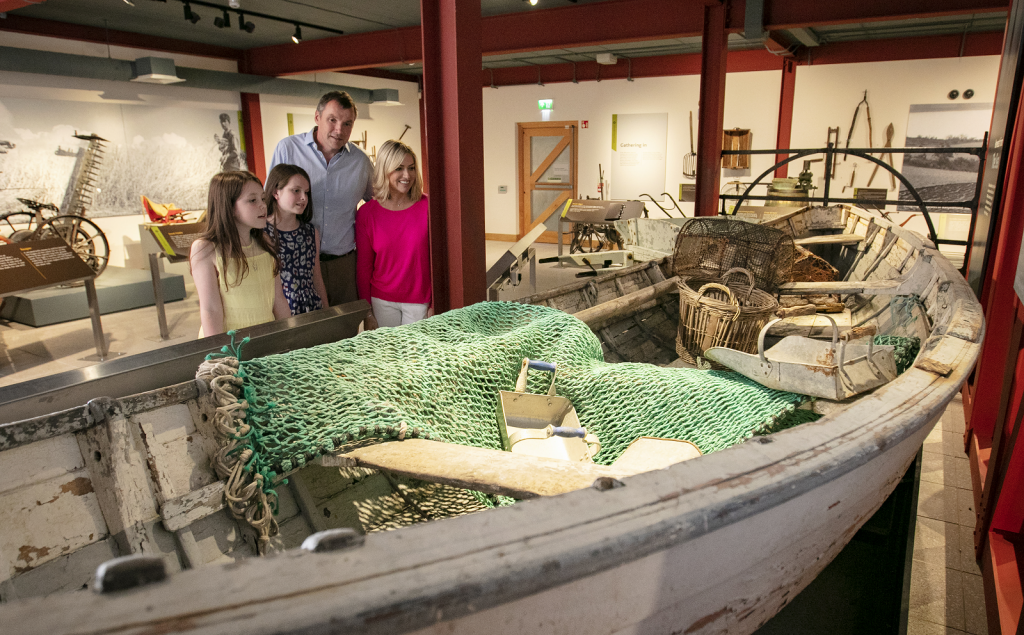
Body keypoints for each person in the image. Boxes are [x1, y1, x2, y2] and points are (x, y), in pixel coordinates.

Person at [269, 91, 373, 308]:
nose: (339, 130)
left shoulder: (361, 162)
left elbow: (379, 205)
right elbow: (268, 203)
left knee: (346, 334)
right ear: (317, 117)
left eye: (347, 124)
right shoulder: (288, 149)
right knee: (303, 335)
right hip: (295, 264)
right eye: (332, 120)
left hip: (342, 265)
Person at [190, 171, 290, 337]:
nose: (263, 205)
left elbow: (278, 299)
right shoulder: (205, 249)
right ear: (228, 206)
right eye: (252, 200)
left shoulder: (266, 243)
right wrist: (217, 354)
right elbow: (210, 309)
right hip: (229, 345)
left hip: (268, 339)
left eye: (263, 198)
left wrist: (291, 338)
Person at [356, 140, 431, 328]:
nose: (407, 175)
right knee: (387, 356)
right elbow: (364, 267)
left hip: (419, 301)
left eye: (411, 168)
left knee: (416, 357)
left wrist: (435, 302)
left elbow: (440, 260)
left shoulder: (428, 207)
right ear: (384, 170)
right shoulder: (367, 213)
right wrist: (367, 312)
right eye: (399, 168)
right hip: (381, 301)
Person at [263, 163, 329, 315]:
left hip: (312, 308)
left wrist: (327, 312)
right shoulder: (261, 232)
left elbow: (316, 277)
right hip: (276, 312)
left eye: (306, 192)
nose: (303, 198)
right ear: (276, 192)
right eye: (296, 191)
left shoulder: (311, 232)